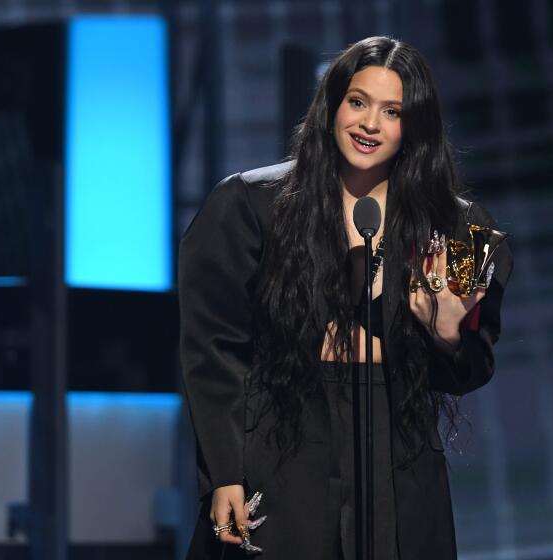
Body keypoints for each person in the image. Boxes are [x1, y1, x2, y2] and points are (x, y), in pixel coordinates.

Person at [178, 36, 512, 560]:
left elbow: (470, 369)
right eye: (358, 102)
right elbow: (213, 350)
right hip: (285, 443)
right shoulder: (248, 207)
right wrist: (225, 473)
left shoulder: (462, 229)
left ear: (415, 126)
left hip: (398, 457)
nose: (369, 125)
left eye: (392, 111)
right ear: (331, 105)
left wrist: (448, 336)